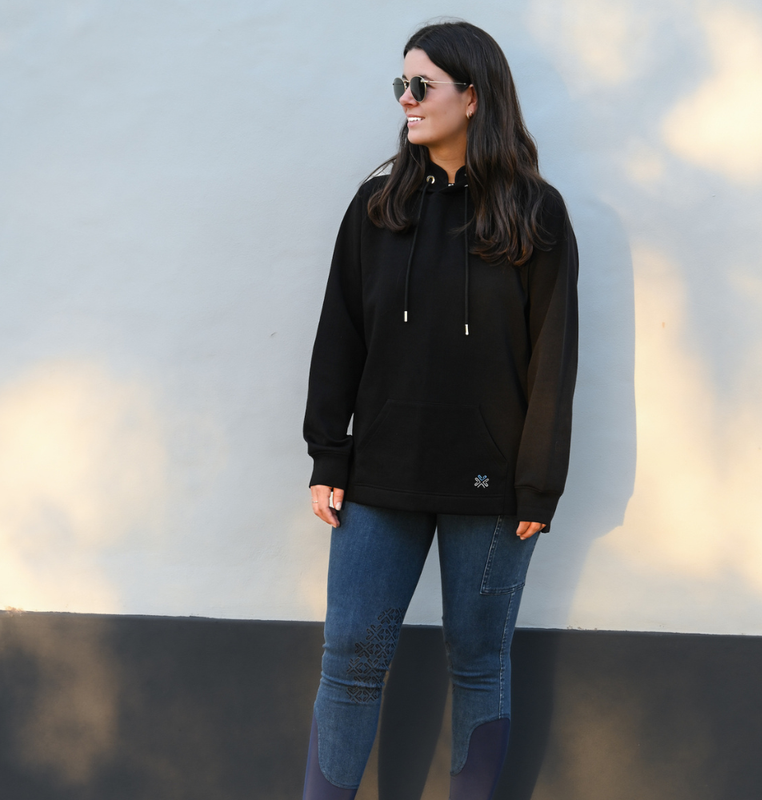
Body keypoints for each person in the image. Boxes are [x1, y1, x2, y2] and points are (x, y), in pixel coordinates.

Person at [302, 20, 578, 800]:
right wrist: (329, 454)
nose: (407, 100)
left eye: (422, 85)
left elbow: (553, 358)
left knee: (479, 660)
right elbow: (340, 332)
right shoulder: (376, 209)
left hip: (492, 490)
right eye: (402, 86)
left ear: (474, 96)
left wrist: (538, 484)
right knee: (350, 657)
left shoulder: (537, 217)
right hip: (382, 475)